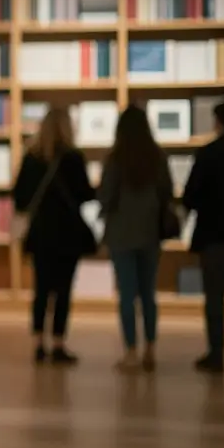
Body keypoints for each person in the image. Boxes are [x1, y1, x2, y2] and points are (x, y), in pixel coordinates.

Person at [12, 106, 97, 365]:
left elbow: (19, 197)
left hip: (40, 233)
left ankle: (39, 343)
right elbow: (85, 194)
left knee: (41, 289)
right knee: (63, 290)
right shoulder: (73, 158)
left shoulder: (31, 157)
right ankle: (59, 343)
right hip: (68, 234)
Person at [97, 104, 174, 372]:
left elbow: (105, 196)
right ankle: (150, 349)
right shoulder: (157, 157)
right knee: (148, 294)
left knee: (127, 295)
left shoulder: (115, 159)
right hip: (150, 232)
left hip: (121, 233)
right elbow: (168, 192)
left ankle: (131, 351)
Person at [182, 99, 224, 375]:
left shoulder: (208, 154)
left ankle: (216, 354)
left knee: (214, 299)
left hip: (214, 238)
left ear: (218, 121)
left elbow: (190, 197)